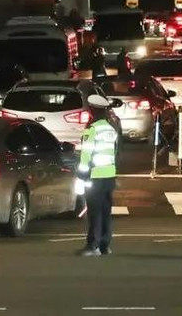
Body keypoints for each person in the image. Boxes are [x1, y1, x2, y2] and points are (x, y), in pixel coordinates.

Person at [76, 94, 119, 257]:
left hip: (94, 176)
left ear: (92, 110)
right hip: (109, 176)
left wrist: (81, 174)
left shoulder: (92, 129)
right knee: (105, 211)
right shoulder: (110, 129)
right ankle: (104, 245)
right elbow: (115, 152)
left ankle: (92, 245)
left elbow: (86, 154)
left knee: (94, 212)